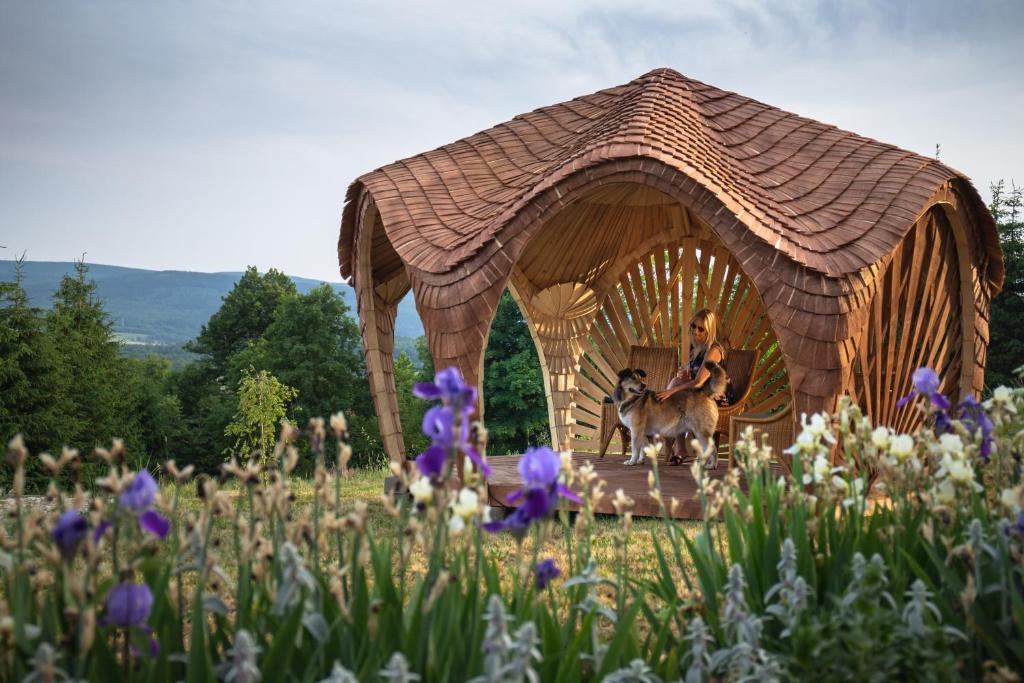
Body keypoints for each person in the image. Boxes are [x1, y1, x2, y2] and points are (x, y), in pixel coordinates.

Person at [655, 308, 732, 463]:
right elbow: (694, 377)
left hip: (716, 393)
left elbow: (699, 381)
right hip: (701, 392)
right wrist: (684, 376)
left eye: (701, 329)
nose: (696, 332)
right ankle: (679, 447)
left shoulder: (714, 349)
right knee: (676, 389)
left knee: (674, 392)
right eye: (693, 327)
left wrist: (671, 391)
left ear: (709, 330)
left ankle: (676, 445)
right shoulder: (695, 347)